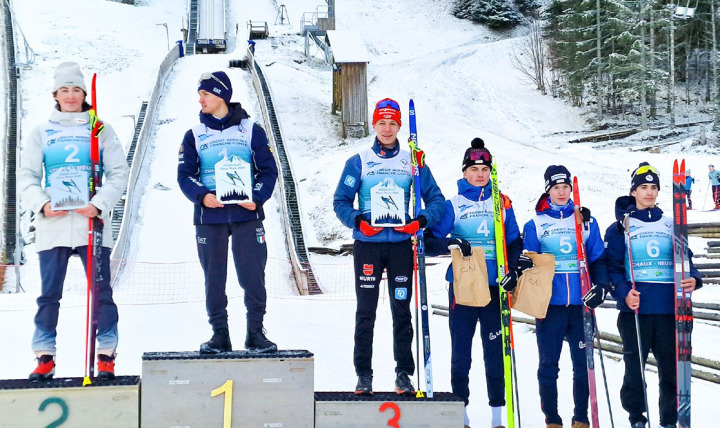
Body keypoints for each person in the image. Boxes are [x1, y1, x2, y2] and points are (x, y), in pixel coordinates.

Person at [18, 62, 129, 380]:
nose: (70, 95)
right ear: (55, 93)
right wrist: (41, 203)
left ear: (84, 94)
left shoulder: (100, 129)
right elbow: (26, 175)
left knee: (101, 291)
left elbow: (118, 172)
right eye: (64, 90)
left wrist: (99, 204)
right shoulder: (42, 132)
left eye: (76, 89)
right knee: (48, 294)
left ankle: (106, 352)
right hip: (53, 225)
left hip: (89, 224)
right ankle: (44, 355)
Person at [333, 98, 445, 396]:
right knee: (365, 311)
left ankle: (403, 373)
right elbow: (340, 201)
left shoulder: (413, 162)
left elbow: (436, 200)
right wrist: (357, 221)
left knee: (401, 310)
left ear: (399, 126)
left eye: (392, 123)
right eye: (381, 123)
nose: (386, 129)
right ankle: (363, 373)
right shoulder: (359, 161)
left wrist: (419, 221)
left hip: (399, 247)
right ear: (374, 125)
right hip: (367, 246)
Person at [425, 138, 532, 428]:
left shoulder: (502, 203)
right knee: (461, 353)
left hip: (494, 287)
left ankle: (498, 417)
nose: (480, 174)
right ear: (465, 173)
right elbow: (429, 242)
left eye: (485, 168)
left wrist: (513, 269)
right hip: (463, 287)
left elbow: (513, 242)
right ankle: (462, 414)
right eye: (474, 169)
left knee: (495, 353)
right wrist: (450, 242)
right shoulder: (453, 205)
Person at [178, 71, 278, 354]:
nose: (200, 100)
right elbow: (185, 175)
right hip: (210, 218)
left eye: (205, 94)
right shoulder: (194, 134)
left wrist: (257, 197)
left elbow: (269, 170)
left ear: (221, 95)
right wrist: (202, 196)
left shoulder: (251, 130)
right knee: (214, 277)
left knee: (253, 276)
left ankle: (255, 332)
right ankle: (219, 333)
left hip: (247, 215)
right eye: (200, 94)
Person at [604, 162, 702, 428]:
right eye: (643, 187)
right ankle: (637, 418)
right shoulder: (620, 227)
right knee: (635, 372)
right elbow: (611, 267)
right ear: (633, 191)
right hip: (636, 310)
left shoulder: (672, 224)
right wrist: (623, 294)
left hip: (671, 309)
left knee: (670, 371)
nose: (649, 192)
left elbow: (686, 259)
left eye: (653, 188)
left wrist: (694, 278)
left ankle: (669, 420)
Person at [521, 165, 609, 428]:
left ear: (571, 189)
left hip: (581, 306)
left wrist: (601, 286)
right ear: (548, 190)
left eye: (565, 187)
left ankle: (580, 418)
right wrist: (523, 264)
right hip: (550, 307)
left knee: (582, 366)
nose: (561, 192)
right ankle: (553, 419)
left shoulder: (586, 222)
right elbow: (529, 259)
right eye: (556, 187)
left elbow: (599, 260)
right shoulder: (535, 223)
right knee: (549, 365)